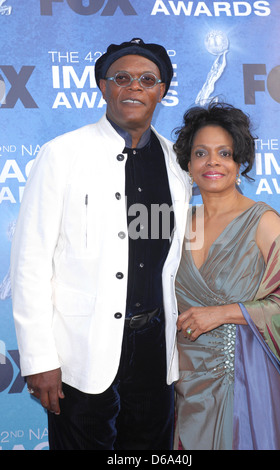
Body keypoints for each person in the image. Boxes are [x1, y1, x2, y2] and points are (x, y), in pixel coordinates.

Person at [10, 38, 191, 450]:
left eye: (147, 79)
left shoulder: (176, 163)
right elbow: (30, 263)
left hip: (154, 355)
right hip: (81, 355)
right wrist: (39, 361)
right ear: (103, 87)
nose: (134, 87)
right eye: (121, 78)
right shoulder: (62, 154)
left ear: (161, 91)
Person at [173, 101, 280, 450]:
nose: (212, 162)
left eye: (224, 153)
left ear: (240, 161)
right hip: (185, 378)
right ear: (188, 163)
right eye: (201, 153)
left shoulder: (262, 220)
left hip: (246, 374)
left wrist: (224, 313)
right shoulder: (179, 225)